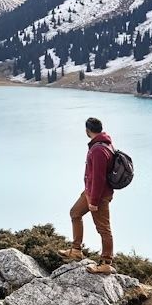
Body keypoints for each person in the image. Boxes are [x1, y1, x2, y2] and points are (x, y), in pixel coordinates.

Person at [59, 116, 115, 274]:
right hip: (90, 192)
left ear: (87, 131)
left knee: (103, 229)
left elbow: (99, 178)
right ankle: (76, 250)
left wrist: (94, 201)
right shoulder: (104, 143)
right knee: (75, 213)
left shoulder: (98, 149)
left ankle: (106, 263)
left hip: (98, 195)